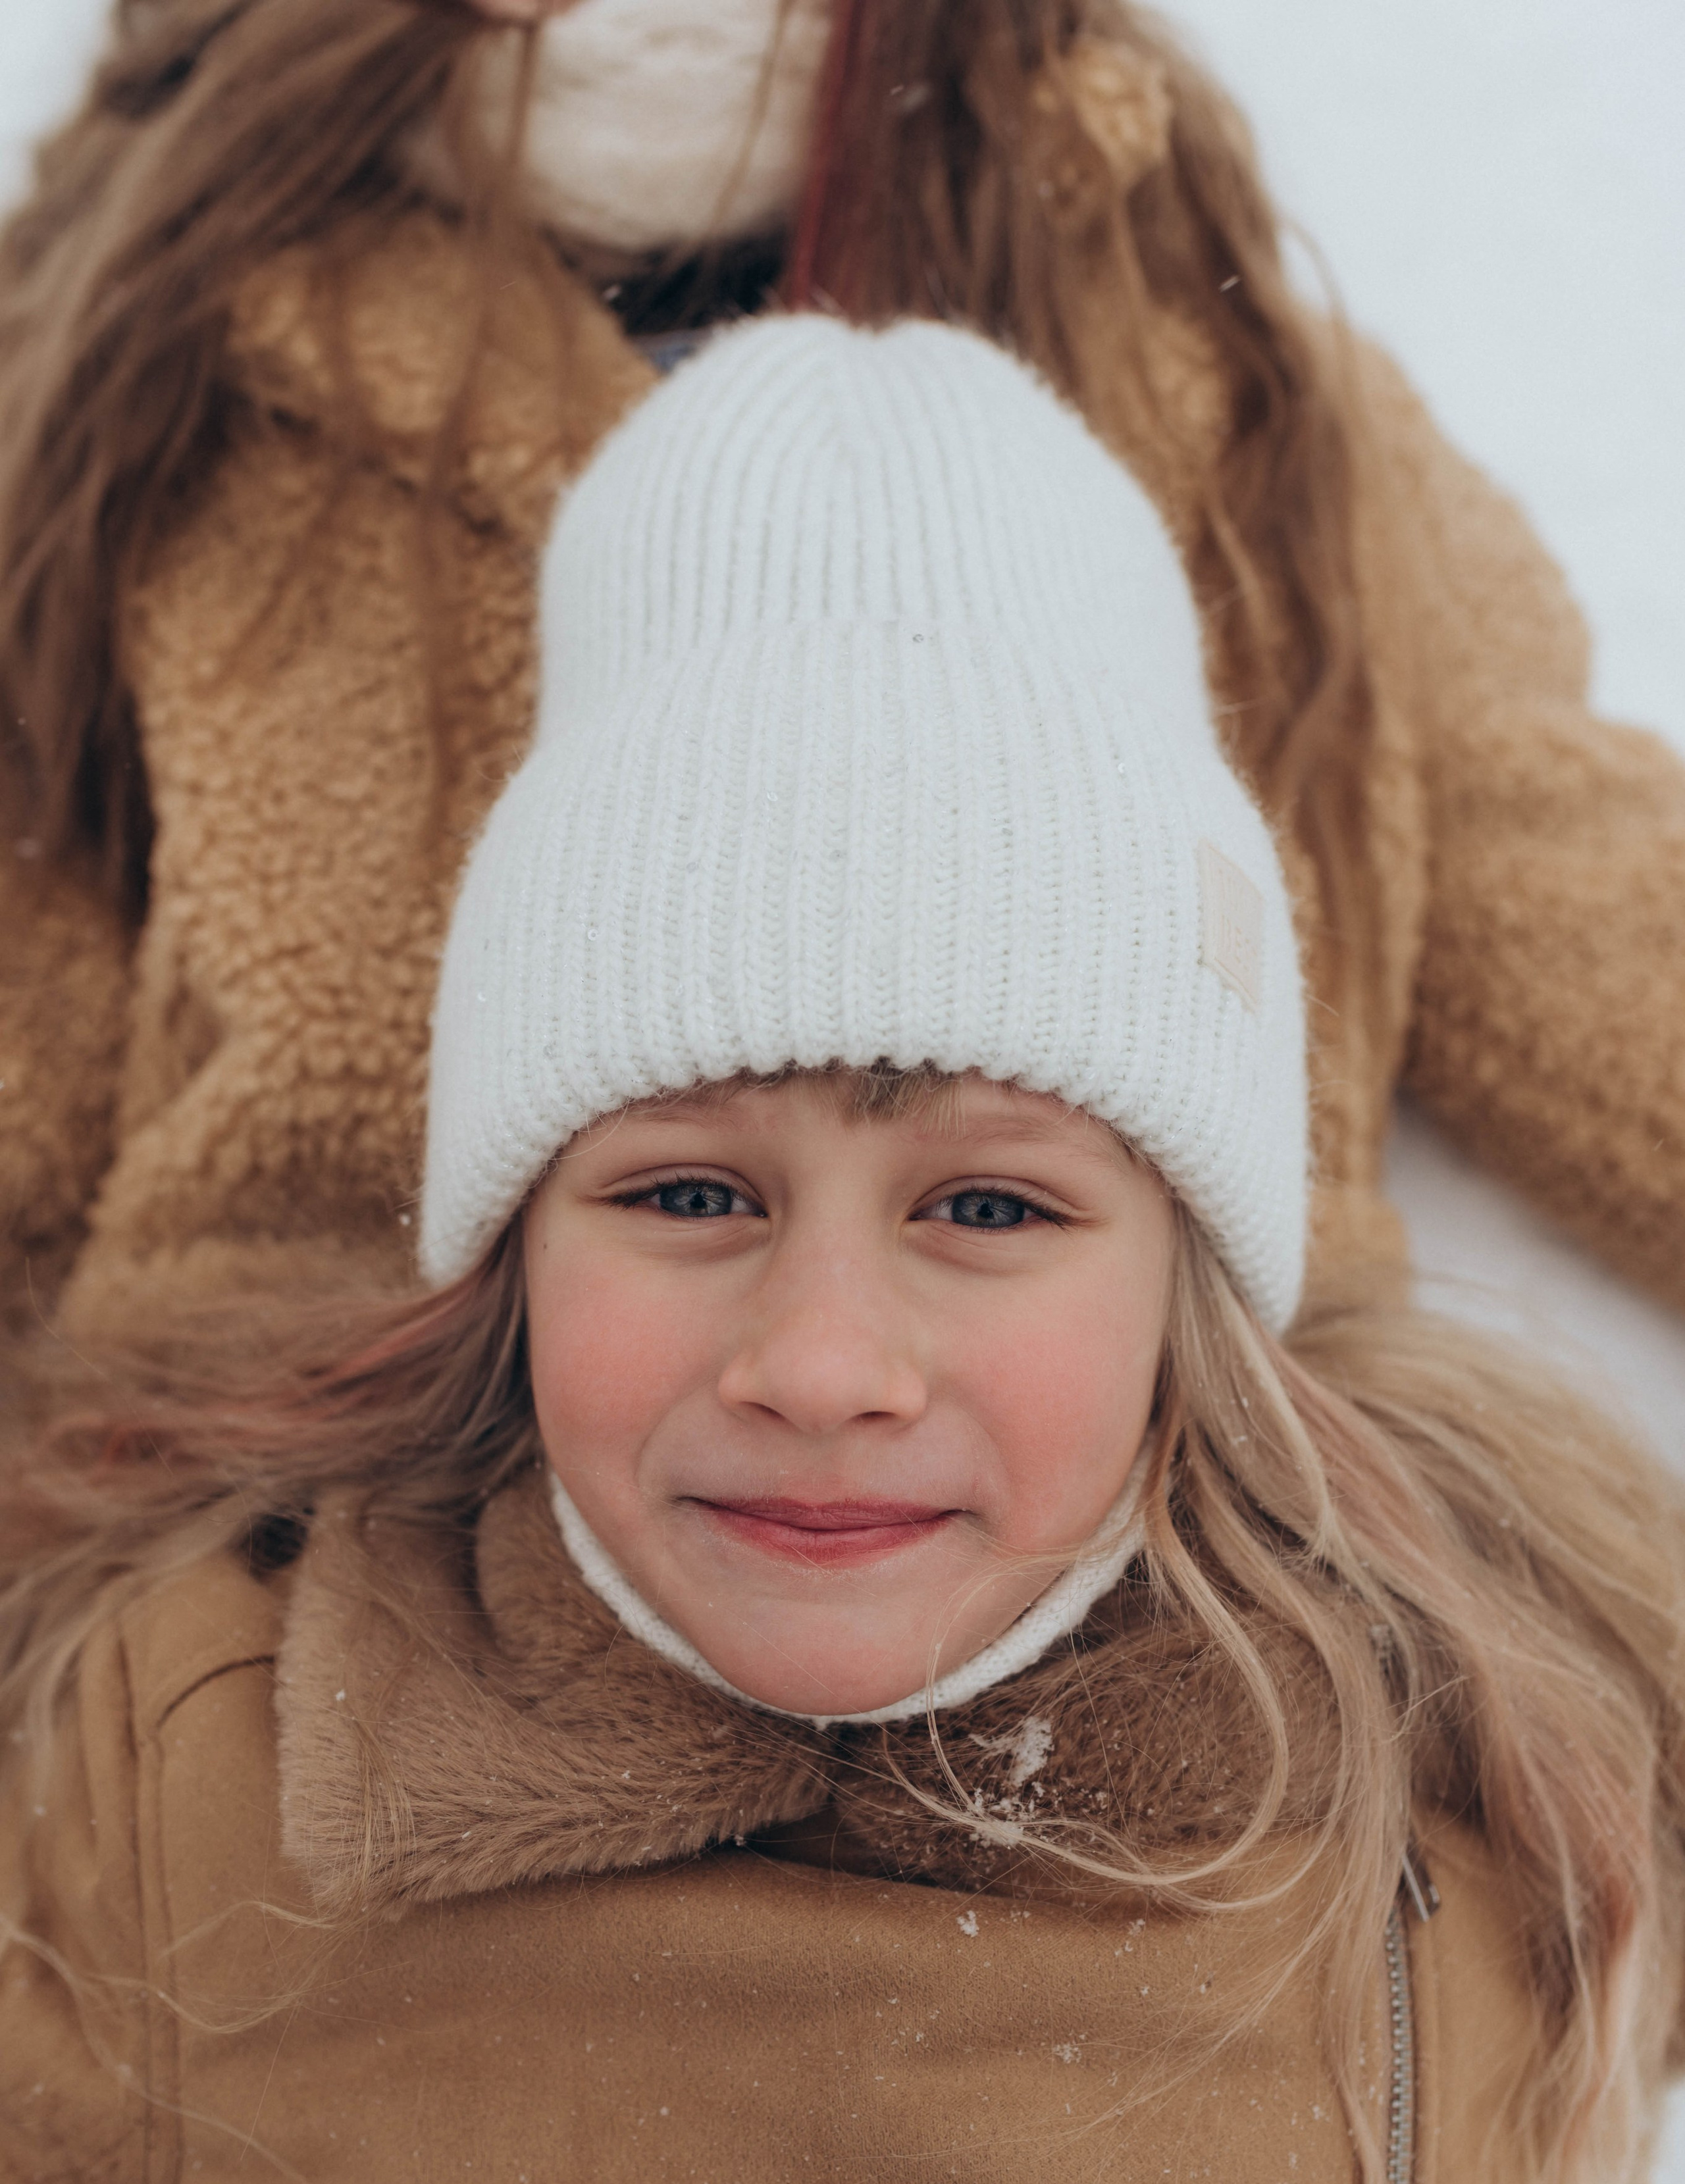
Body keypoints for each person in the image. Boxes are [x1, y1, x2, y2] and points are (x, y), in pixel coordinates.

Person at [1, 314, 1679, 2184]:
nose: (819, 1360)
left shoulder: (1493, 1769)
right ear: (514, 1250)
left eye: (988, 1205)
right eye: (689, 1194)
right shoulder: (207, 1741)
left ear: (1187, 1285)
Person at [3, 0, 1685, 1354]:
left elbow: (1556, 874)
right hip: (329, 1492)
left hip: (1167, 1507)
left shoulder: (1201, 357)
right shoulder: (146, 363)